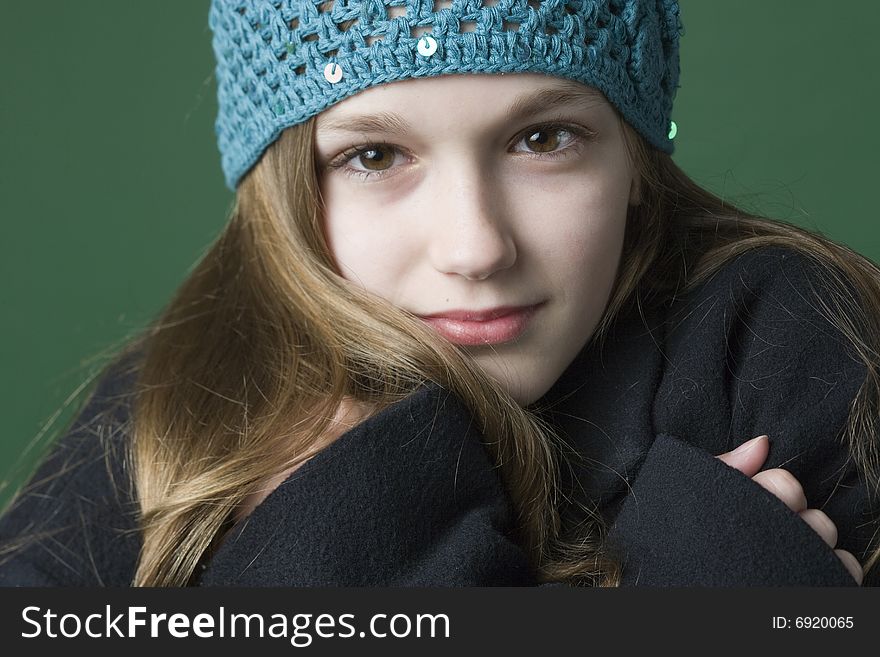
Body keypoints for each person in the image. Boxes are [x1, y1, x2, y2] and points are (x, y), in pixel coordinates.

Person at [1, 0, 879, 587]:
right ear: (283, 194)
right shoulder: (186, 407)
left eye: (543, 138)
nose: (475, 247)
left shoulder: (785, 335)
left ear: (638, 159)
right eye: (375, 157)